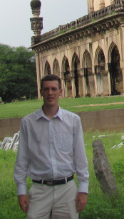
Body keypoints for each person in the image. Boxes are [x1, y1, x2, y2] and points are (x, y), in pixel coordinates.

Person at [14, 74, 89, 218]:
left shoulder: (73, 120)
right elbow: (22, 159)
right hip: (40, 189)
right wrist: (21, 191)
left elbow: (80, 156)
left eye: (54, 89)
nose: (50, 93)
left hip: (66, 188)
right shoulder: (28, 123)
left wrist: (83, 189)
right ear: (41, 91)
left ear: (61, 91)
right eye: (46, 89)